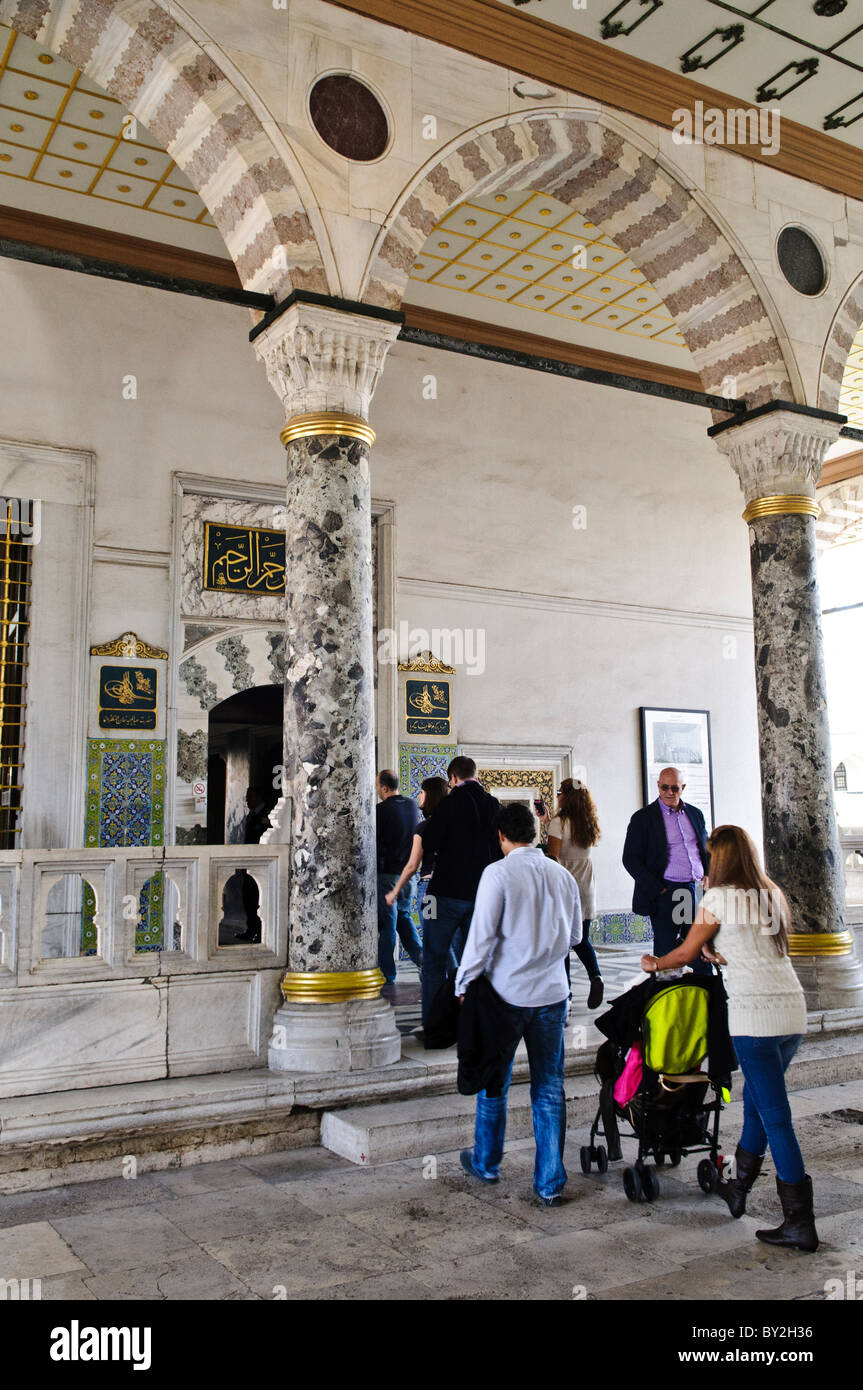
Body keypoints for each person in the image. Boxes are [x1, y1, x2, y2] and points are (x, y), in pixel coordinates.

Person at [640, 824, 817, 1253]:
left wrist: (654, 962)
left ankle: (799, 1222)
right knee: (758, 1106)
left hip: (755, 1019)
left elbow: (683, 953)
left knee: (776, 1118)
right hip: (791, 1012)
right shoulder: (771, 892)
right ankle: (737, 1188)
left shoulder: (717, 898)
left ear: (718, 858)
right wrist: (718, 951)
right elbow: (760, 947)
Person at [456, 802, 583, 1207]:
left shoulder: (498, 874)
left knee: (496, 1079)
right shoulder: (561, 874)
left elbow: (481, 938)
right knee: (549, 1087)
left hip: (506, 997)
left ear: (501, 836)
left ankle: (486, 1162)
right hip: (552, 994)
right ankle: (549, 1183)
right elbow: (577, 935)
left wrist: (463, 981)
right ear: (536, 833)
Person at [418, 756, 502, 1024]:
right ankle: (472, 1021)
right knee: (476, 960)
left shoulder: (448, 804)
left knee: (434, 959)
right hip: (481, 896)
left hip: (442, 895)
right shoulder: (493, 804)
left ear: (452, 778)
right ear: (475, 775)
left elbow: (429, 845)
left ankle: (436, 1023)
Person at [623, 767, 710, 974]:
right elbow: (630, 859)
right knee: (665, 952)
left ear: (683, 788)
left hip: (696, 890)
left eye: (675, 788)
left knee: (700, 947)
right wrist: (658, 890)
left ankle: (705, 994)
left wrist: (709, 873)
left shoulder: (695, 814)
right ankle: (668, 996)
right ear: (658, 786)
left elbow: (706, 848)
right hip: (666, 891)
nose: (669, 792)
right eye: (664, 787)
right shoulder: (643, 818)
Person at [544, 778, 604, 1009]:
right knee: (581, 938)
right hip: (586, 883)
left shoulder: (560, 822)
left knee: (562, 943)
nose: (557, 795)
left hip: (567, 883)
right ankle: (595, 975)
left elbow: (554, 857)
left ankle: (565, 994)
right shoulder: (588, 821)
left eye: (559, 792)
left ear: (565, 796)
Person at [376, 769, 423, 986]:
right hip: (409, 876)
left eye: (378, 786)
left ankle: (387, 975)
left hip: (388, 877)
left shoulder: (380, 810)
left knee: (388, 926)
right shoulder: (412, 805)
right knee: (404, 919)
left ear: (384, 787)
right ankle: (422, 960)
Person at [384, 775, 449, 922]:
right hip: (453, 891)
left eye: (422, 792)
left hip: (430, 891)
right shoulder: (456, 826)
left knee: (431, 936)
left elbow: (412, 865)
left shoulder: (424, 827)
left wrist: (395, 891)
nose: (419, 795)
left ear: (431, 795)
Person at [235, 786, 271, 942]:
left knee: (257, 899)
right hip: (249, 862)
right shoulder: (252, 815)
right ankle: (251, 930)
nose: (248, 800)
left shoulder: (267, 814)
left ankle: (259, 932)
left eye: (250, 797)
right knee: (248, 898)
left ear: (258, 797)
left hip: (260, 864)